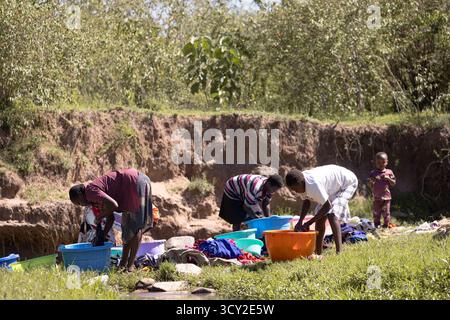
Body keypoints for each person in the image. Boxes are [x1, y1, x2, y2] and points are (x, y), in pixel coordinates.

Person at [69, 168, 153, 272]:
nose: (81, 205)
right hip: (129, 187)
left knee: (135, 226)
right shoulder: (94, 198)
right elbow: (111, 218)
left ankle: (130, 266)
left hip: (134, 182)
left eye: (78, 202)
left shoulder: (90, 191)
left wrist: (100, 216)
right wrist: (102, 236)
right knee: (126, 229)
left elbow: (114, 205)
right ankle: (122, 265)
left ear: (81, 195)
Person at [285, 165, 358, 254]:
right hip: (333, 186)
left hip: (347, 182)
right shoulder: (299, 181)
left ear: (301, 182)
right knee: (319, 219)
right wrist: (300, 221)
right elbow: (306, 201)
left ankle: (339, 252)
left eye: (296, 189)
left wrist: (308, 223)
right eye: (293, 190)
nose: (295, 191)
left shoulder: (313, 185)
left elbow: (328, 206)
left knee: (332, 214)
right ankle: (318, 253)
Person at [219, 174, 284, 231]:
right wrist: (255, 217)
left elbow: (266, 203)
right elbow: (246, 206)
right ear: (269, 184)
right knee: (237, 218)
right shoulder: (256, 188)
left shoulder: (270, 188)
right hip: (233, 189)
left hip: (245, 190)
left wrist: (268, 219)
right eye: (274, 189)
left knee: (259, 214)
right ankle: (237, 239)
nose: (274, 191)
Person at [367, 152, 396, 228]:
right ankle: (376, 225)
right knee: (376, 212)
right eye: (379, 162)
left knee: (386, 212)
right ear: (375, 162)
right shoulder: (373, 173)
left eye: (383, 162)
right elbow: (370, 185)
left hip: (386, 197)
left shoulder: (389, 172)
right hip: (376, 197)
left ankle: (386, 225)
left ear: (387, 162)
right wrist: (372, 181)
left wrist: (388, 178)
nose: (381, 164)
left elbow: (393, 183)